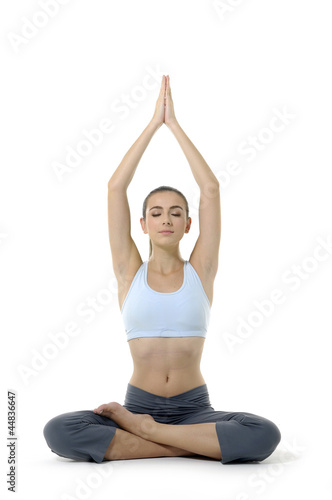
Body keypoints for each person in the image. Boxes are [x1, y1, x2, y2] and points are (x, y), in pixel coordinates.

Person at [43, 75, 281, 464]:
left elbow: (211, 191)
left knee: (264, 434)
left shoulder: (201, 270)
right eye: (156, 213)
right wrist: (154, 124)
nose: (166, 219)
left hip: (195, 410)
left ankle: (149, 436)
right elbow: (115, 188)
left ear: (189, 224)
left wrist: (176, 127)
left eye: (176, 213)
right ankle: (187, 445)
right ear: (143, 225)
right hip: (136, 404)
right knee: (59, 429)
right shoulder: (128, 272)